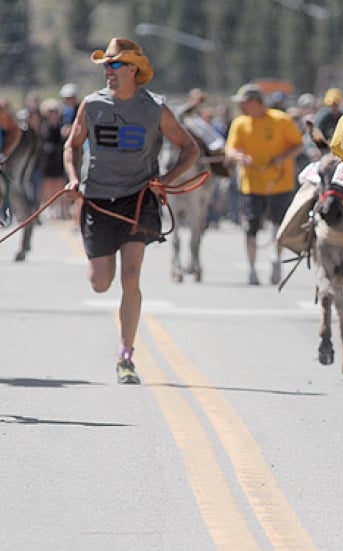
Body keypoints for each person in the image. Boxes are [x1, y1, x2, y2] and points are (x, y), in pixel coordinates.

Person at [63, 37, 199, 384]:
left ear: (134, 69)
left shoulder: (155, 108)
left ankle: (126, 355)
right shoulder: (92, 105)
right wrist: (73, 178)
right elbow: (72, 146)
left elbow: (189, 149)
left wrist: (165, 180)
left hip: (138, 199)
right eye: (106, 65)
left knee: (132, 275)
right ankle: (124, 344)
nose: (107, 71)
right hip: (96, 201)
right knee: (100, 283)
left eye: (114, 64)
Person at [225, 83, 305, 285]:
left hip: (279, 183)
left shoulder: (280, 120)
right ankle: (252, 270)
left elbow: (298, 144)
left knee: (278, 226)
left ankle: (276, 260)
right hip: (251, 185)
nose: (242, 107)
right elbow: (230, 149)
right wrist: (239, 156)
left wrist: (282, 157)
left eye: (245, 103)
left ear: (256, 102)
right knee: (250, 227)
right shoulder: (240, 123)